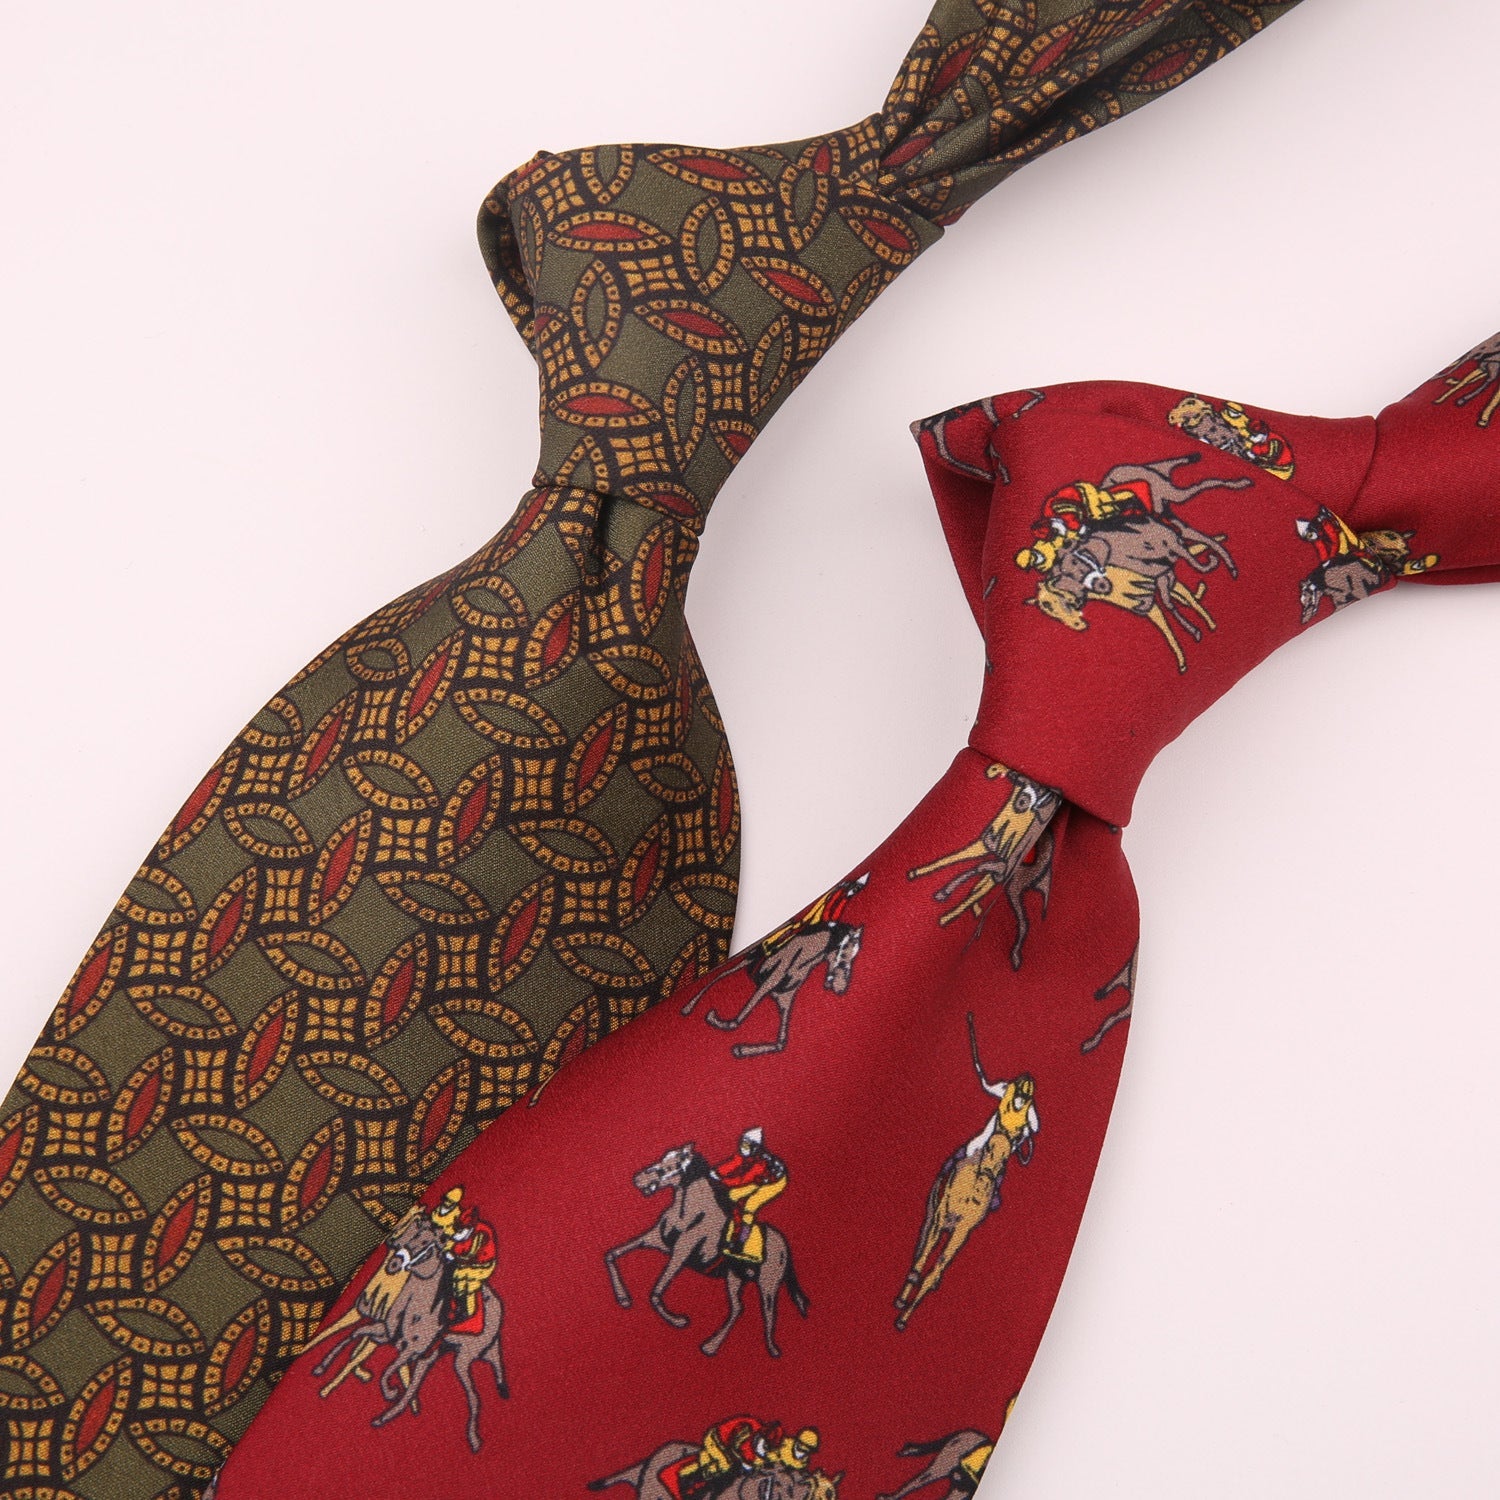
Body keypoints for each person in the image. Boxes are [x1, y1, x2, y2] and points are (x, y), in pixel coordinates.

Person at [711, 1128, 787, 1264]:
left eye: (747, 1145)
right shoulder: (746, 1153)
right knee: (732, 1196)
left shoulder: (761, 1164)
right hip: (757, 1179)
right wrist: (716, 1171)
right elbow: (734, 1163)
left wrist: (722, 1180)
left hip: (773, 1183)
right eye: (743, 1143)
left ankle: (741, 1242)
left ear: (755, 1147)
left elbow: (744, 1179)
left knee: (749, 1207)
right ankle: (731, 1230)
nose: (743, 1147)